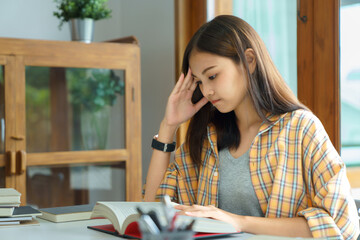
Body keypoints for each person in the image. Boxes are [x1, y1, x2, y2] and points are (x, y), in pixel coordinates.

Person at [144, 15, 359, 239]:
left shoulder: (301, 129)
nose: (206, 91)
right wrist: (169, 126)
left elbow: (343, 225)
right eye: (199, 82)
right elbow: (154, 214)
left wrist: (238, 222)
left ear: (249, 61)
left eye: (212, 76)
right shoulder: (207, 137)